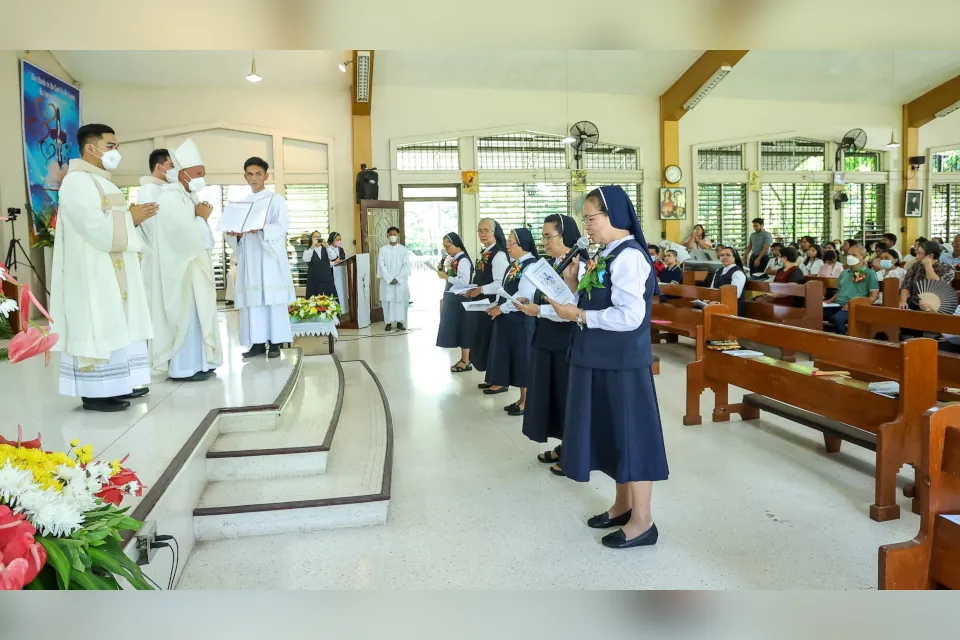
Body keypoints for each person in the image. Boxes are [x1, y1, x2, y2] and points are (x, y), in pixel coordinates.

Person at [546, 186, 668, 549]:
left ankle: (643, 522)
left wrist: (580, 314)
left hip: (622, 363)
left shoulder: (629, 257)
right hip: (600, 358)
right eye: (584, 219)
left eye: (591, 218)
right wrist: (570, 287)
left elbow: (630, 317)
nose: (586, 226)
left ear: (612, 215)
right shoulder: (604, 254)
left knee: (633, 437)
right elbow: (595, 302)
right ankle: (622, 506)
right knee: (615, 434)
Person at [50, 124, 157, 412]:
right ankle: (95, 393)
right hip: (92, 271)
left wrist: (131, 218)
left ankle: (118, 384)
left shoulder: (103, 182)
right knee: (98, 323)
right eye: (111, 146)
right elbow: (95, 227)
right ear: (90, 148)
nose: (115, 152)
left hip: (113, 267)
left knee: (118, 323)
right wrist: (130, 218)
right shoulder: (76, 182)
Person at [145, 138, 223, 381]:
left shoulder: (186, 195)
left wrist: (200, 217)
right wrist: (200, 219)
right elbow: (184, 238)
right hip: (181, 271)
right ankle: (184, 367)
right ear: (183, 173)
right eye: (198, 173)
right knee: (186, 316)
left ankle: (201, 362)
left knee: (199, 316)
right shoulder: (169, 197)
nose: (202, 178)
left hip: (194, 270)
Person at [517, 215, 586, 474]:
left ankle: (574, 451)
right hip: (547, 338)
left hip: (565, 340)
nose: (544, 242)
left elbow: (573, 307)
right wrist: (529, 300)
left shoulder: (579, 266)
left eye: (549, 237)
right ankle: (565, 444)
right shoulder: (554, 263)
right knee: (554, 397)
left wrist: (539, 311)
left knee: (567, 396)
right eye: (543, 237)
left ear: (565, 237)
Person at [227, 157, 295, 359]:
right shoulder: (241, 202)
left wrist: (262, 228)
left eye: (258, 174)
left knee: (272, 299)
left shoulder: (276, 200)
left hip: (269, 258)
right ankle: (256, 343)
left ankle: (275, 343)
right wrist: (234, 235)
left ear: (266, 175)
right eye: (250, 174)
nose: (254, 178)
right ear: (245, 176)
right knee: (253, 299)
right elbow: (233, 232)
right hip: (250, 258)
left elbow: (281, 226)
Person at [482, 228, 539, 416]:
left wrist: (502, 308)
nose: (507, 246)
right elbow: (504, 288)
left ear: (522, 244)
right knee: (516, 359)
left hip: (521, 321)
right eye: (507, 242)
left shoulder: (531, 265)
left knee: (524, 360)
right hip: (509, 320)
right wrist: (495, 304)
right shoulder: (514, 264)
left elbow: (525, 296)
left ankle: (528, 401)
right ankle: (522, 398)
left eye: (511, 243)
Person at [463, 219, 509, 377]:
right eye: (479, 231)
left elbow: (500, 284)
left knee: (490, 344)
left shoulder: (499, 255)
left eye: (486, 230)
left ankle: (498, 381)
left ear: (494, 232)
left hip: (492, 305)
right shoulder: (486, 252)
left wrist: (480, 289)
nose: (482, 234)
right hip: (482, 304)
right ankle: (492, 378)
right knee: (482, 342)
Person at [135, 149, 174, 306]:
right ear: (159, 167)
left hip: (168, 255)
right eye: (172, 165)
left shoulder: (165, 189)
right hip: (158, 255)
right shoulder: (150, 190)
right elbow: (153, 226)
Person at [436, 232, 474, 372]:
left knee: (463, 329)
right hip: (453, 298)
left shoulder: (463, 260)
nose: (446, 249)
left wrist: (446, 277)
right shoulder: (454, 259)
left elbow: (464, 281)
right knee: (457, 329)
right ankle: (463, 359)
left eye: (448, 246)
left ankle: (466, 360)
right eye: (445, 247)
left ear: (455, 243)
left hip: (460, 299)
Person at [823, 246, 879, 334]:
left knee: (838, 319)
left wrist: (854, 303)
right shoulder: (844, 273)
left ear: (863, 258)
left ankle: (844, 342)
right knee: (816, 313)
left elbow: (874, 296)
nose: (850, 257)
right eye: (849, 254)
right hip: (837, 305)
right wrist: (830, 300)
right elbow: (840, 291)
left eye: (854, 255)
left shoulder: (869, 273)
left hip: (855, 307)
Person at [899, 240, 954, 310]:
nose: (916, 254)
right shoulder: (915, 266)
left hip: (936, 305)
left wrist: (928, 266)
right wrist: (902, 301)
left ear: (931, 255)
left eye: (919, 253)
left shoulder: (947, 268)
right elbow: (906, 285)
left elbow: (935, 285)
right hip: (914, 302)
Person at [377, 226, 411, 331]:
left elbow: (406, 265)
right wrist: (389, 278)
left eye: (395, 234)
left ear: (398, 235)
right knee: (387, 302)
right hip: (387, 282)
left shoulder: (404, 250)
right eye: (390, 234)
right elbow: (381, 265)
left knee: (401, 301)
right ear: (387, 236)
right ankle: (388, 323)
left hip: (400, 282)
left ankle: (400, 322)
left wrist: (398, 278)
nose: (393, 236)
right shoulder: (383, 250)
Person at [710, 246, 746, 313]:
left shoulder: (738, 273)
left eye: (728, 255)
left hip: (732, 308)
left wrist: (717, 303)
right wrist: (707, 300)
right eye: (722, 255)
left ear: (734, 258)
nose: (724, 257)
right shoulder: (718, 271)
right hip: (717, 304)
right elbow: (712, 289)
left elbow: (734, 295)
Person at [303, 231, 337, 298]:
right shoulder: (309, 250)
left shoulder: (326, 248)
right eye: (315, 237)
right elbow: (306, 259)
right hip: (313, 281)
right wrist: (312, 246)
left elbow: (333, 257)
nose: (317, 239)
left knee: (329, 301)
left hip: (326, 280)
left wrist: (327, 246)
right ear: (311, 239)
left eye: (319, 237)